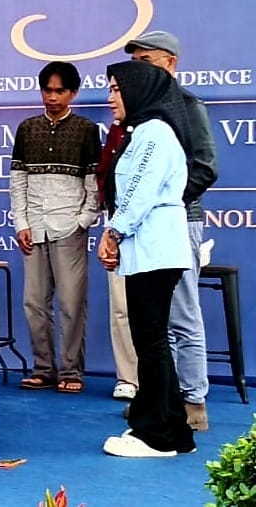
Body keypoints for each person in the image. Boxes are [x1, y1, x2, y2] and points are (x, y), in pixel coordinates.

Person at [122, 30, 218, 431]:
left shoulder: (188, 105)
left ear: (170, 63)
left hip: (179, 221)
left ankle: (193, 401)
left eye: (146, 62)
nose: (138, 71)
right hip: (143, 226)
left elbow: (205, 167)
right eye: (134, 64)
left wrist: (166, 203)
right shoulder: (140, 111)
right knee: (152, 323)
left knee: (182, 315)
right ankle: (159, 401)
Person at [99, 59, 196, 458]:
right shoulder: (143, 131)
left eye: (116, 89)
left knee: (150, 341)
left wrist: (113, 232)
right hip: (150, 250)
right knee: (150, 339)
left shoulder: (154, 132)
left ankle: (155, 436)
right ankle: (175, 429)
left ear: (138, 91)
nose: (110, 98)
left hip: (156, 250)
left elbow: (139, 191)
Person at [10, 61, 101, 394]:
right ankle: (43, 369)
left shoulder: (86, 130)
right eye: (47, 90)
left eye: (59, 91)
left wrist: (83, 220)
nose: (52, 97)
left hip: (69, 228)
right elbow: (18, 181)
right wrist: (21, 223)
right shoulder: (27, 128)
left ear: (73, 93)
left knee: (71, 304)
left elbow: (94, 183)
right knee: (34, 302)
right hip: (34, 226)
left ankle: (72, 371)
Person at [95, 120, 139, 401]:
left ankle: (159, 379)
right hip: (117, 221)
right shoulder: (118, 129)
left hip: (153, 227)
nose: (112, 100)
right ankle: (128, 378)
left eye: (118, 97)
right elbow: (104, 173)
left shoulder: (161, 125)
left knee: (155, 309)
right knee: (121, 305)